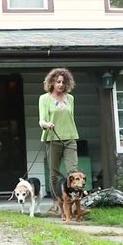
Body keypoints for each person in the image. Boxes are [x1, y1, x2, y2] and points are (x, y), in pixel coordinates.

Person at [38, 67, 79, 199]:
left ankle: (74, 200)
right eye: (58, 82)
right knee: (54, 173)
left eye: (63, 82)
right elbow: (42, 120)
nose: (61, 85)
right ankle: (57, 203)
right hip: (52, 139)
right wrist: (46, 124)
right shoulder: (44, 99)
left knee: (73, 171)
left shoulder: (70, 98)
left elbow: (70, 118)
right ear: (51, 83)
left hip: (70, 138)